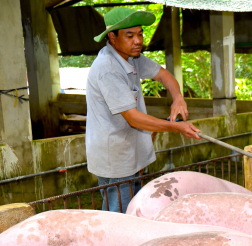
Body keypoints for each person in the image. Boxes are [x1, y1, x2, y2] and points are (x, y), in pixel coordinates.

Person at [86, 7, 200, 213]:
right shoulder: (108, 68)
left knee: (134, 206)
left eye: (140, 34)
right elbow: (133, 118)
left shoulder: (132, 58)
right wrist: (177, 128)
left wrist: (178, 98)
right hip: (116, 157)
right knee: (120, 215)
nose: (137, 40)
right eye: (130, 35)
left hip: (131, 151)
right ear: (112, 37)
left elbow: (164, 75)